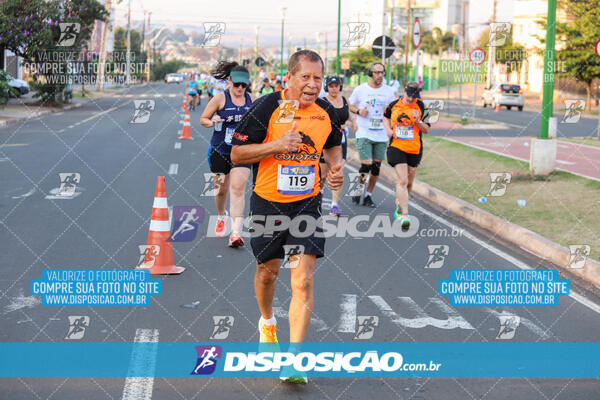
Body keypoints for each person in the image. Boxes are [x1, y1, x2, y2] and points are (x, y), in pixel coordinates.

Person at [231, 50, 344, 384]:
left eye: (318, 78)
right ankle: (267, 323)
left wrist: (335, 173)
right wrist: (276, 145)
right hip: (268, 202)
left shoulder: (325, 112)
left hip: (307, 204)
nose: (312, 85)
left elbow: (334, 152)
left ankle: (294, 360)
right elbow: (237, 152)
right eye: (305, 77)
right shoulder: (266, 107)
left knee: (303, 280)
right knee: (268, 274)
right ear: (290, 77)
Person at [200, 62, 254, 247]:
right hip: (220, 150)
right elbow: (203, 119)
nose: (240, 88)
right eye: (236, 84)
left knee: (238, 189)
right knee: (221, 189)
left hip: (241, 152)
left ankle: (236, 232)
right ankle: (222, 216)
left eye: (243, 85)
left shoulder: (252, 100)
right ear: (229, 81)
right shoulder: (219, 99)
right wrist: (212, 120)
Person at [383, 82, 430, 230]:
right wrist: (388, 129)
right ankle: (404, 215)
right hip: (396, 147)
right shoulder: (394, 105)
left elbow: (427, 129)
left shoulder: (421, 106)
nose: (411, 99)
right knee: (402, 180)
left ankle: (400, 203)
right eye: (409, 95)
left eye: (414, 96)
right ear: (404, 91)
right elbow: (385, 117)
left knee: (409, 183)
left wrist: (418, 121)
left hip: (414, 149)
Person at [348, 62, 396, 207]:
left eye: (382, 72)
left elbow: (394, 110)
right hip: (364, 132)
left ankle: (368, 195)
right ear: (370, 74)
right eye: (377, 72)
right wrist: (358, 112)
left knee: (376, 167)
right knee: (366, 164)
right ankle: (358, 189)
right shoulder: (361, 90)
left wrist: (388, 109)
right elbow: (349, 105)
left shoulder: (388, 91)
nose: (380, 75)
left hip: (381, 133)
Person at [319, 75, 351, 216]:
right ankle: (318, 196)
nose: (334, 89)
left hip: (340, 140)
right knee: (323, 174)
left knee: (337, 172)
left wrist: (351, 123)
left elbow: (348, 116)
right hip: (325, 140)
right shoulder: (322, 102)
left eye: (336, 86)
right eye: (331, 86)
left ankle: (334, 205)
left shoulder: (344, 100)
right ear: (327, 87)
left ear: (340, 87)